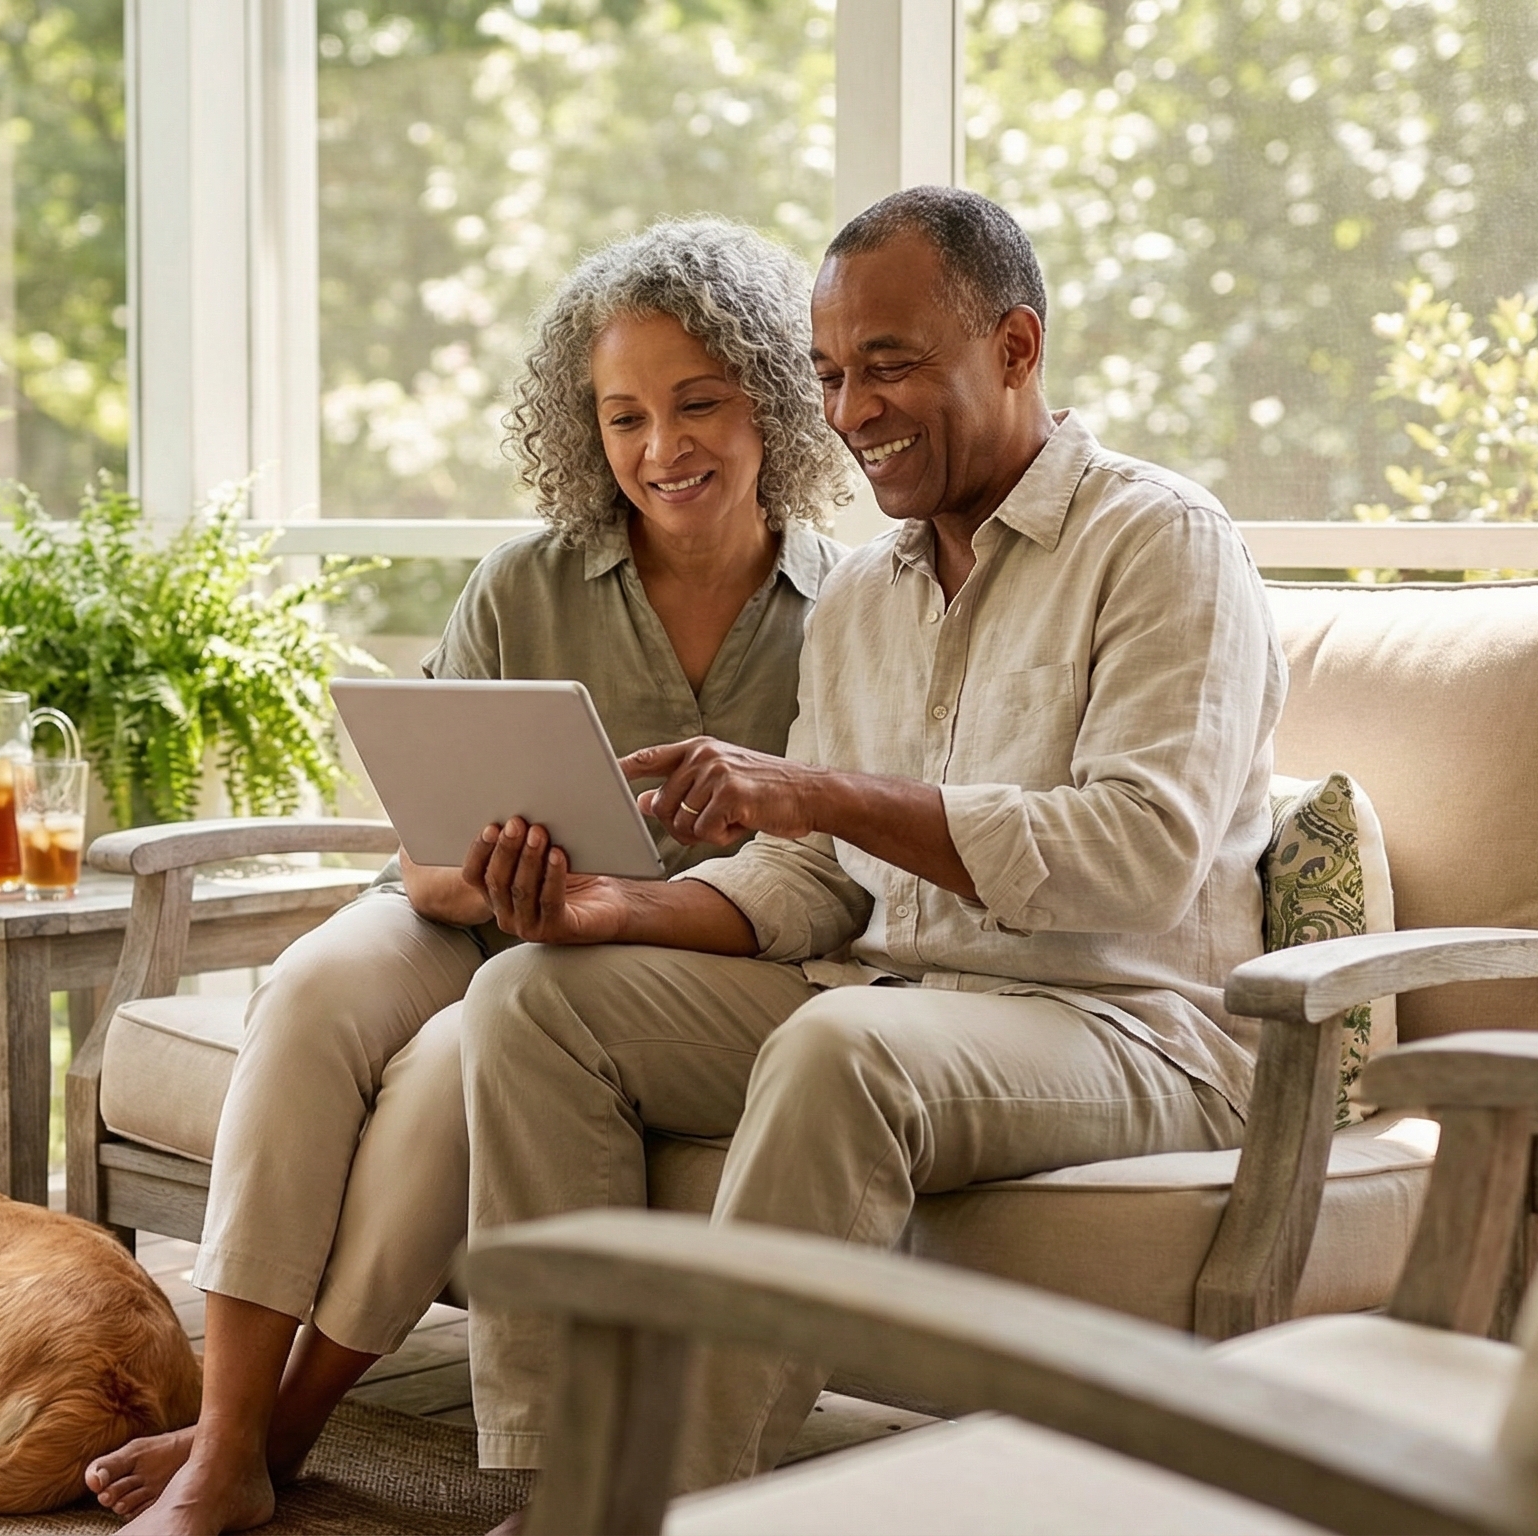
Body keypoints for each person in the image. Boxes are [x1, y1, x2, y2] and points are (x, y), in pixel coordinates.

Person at [455, 185, 1285, 1492]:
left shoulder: (1159, 540)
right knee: (532, 998)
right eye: (831, 374)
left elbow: (1140, 852)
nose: (851, 412)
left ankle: (675, 1504)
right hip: (891, 992)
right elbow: (813, 876)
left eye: (889, 365)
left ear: (1015, 348)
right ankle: (569, 1479)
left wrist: (825, 794)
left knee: (842, 1045)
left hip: (1128, 1026)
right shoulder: (866, 600)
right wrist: (614, 912)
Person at [85, 217, 853, 1536]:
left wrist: (590, 918)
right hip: (465, 913)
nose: (661, 448)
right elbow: (421, 855)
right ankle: (224, 1437)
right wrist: (482, 885)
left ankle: (278, 1433)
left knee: (459, 1065)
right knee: (313, 987)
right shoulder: (522, 585)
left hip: (644, 970)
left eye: (698, 404)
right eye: (623, 417)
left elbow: (817, 883)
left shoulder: (846, 612)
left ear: (774, 401)